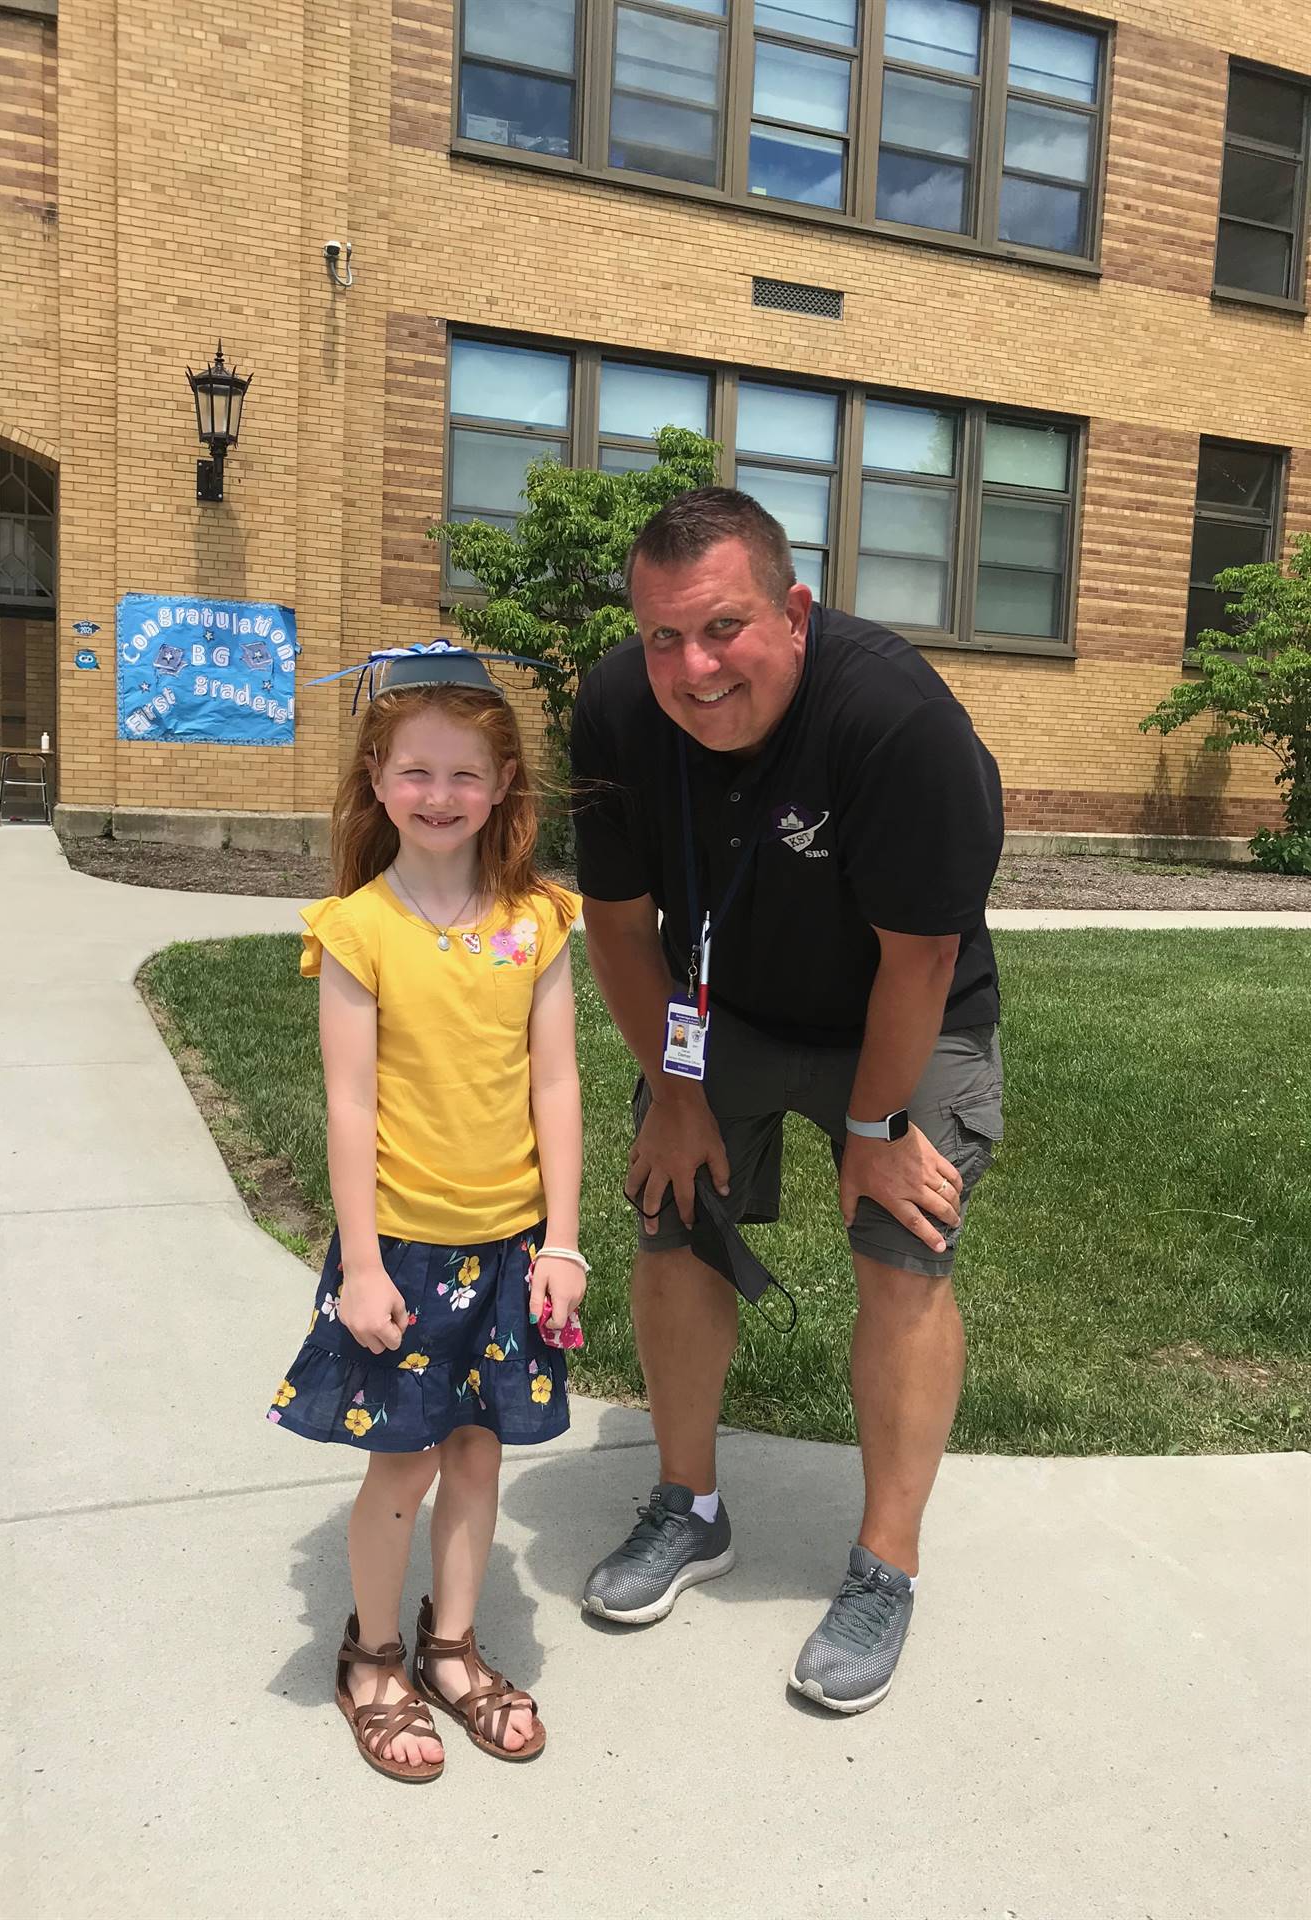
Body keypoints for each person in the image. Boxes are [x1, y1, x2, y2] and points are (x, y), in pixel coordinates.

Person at [570, 488, 1004, 1714]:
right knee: (674, 1216)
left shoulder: (895, 720)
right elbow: (614, 924)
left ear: (795, 611)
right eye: (662, 637)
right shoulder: (614, 707)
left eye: (722, 630)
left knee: (903, 1248)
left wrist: (873, 1132)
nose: (692, 670)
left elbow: (918, 958)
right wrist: (674, 1091)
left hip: (904, 1006)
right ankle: (687, 1505)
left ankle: (885, 1567)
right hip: (726, 1008)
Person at [269, 647, 584, 1781]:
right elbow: (347, 1105)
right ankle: (375, 1656)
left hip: (509, 1251)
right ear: (377, 776)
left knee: (479, 1454)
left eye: (464, 774)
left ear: (502, 786)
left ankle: (452, 1646)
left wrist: (561, 1241)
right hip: (399, 1252)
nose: (440, 795)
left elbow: (557, 1086)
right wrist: (360, 1262)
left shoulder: (541, 921)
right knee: (400, 1467)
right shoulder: (358, 929)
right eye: (417, 771)